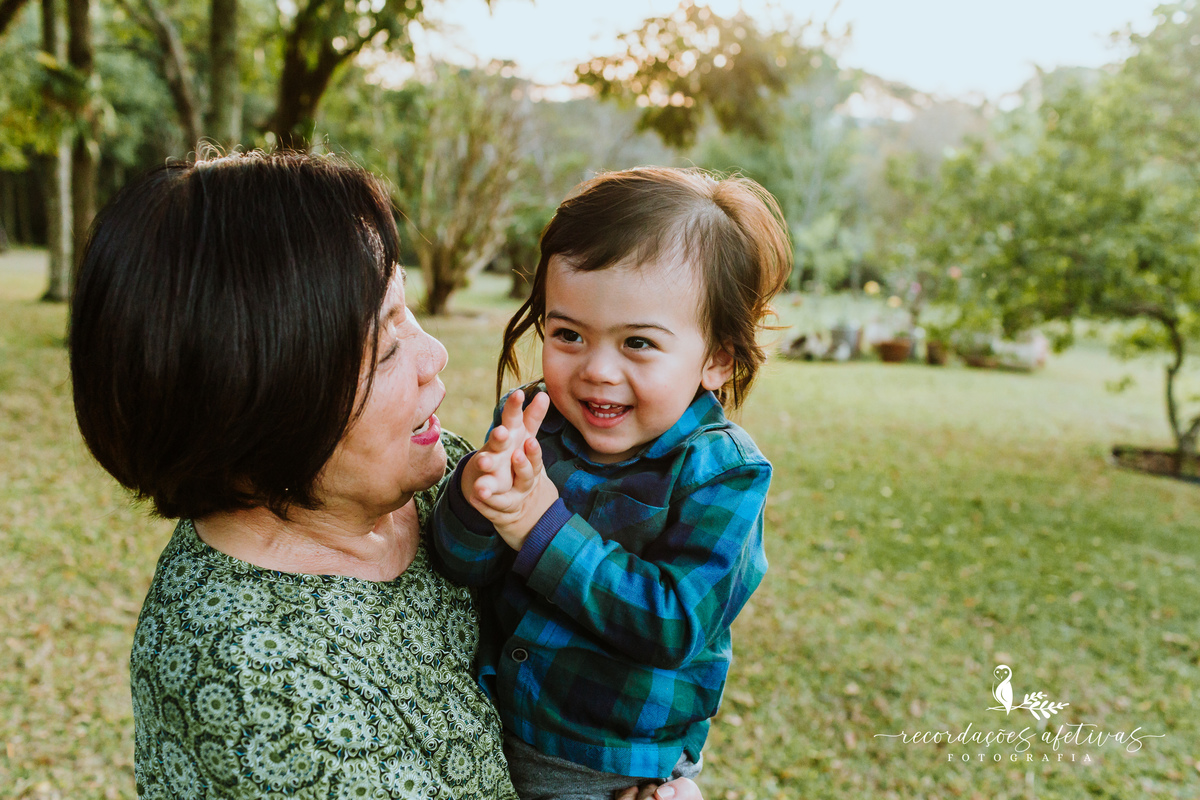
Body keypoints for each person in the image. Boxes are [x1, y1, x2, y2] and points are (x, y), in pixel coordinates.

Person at [68, 152, 701, 800]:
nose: (437, 354)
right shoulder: (251, 667)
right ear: (268, 400)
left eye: (410, 312)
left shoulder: (443, 480)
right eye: (390, 343)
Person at [431, 167, 792, 800]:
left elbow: (672, 624)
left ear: (717, 358)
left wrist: (538, 525)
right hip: (488, 726)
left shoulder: (722, 474)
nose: (597, 370)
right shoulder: (534, 423)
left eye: (638, 343)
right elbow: (461, 565)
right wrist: (475, 497)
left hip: (605, 770)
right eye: (568, 334)